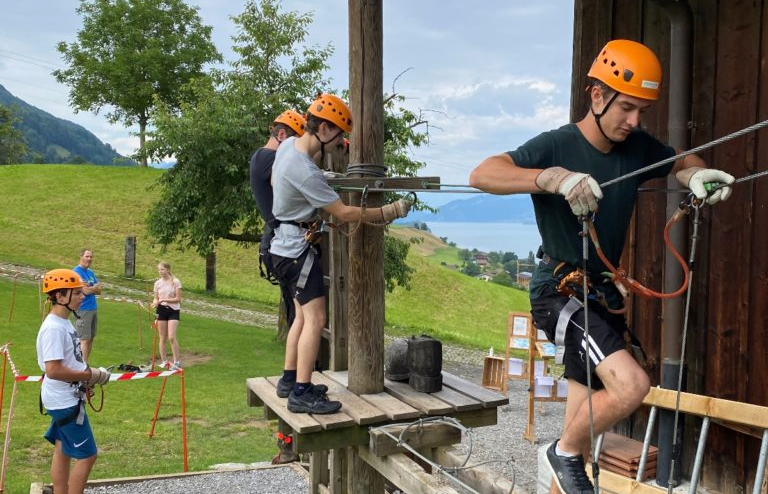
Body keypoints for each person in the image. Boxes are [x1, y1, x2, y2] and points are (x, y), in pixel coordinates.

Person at [469, 39, 734, 494]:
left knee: (583, 433)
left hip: (602, 296)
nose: (634, 121)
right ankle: (560, 451)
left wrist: (694, 174)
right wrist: (550, 177)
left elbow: (680, 159)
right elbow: (483, 174)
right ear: (597, 96)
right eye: (627, 108)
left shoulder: (636, 148)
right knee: (631, 387)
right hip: (560, 292)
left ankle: (564, 461)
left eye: (642, 112)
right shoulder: (557, 144)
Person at [270, 93, 412, 414]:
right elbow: (346, 214)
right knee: (317, 318)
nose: (340, 142)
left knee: (303, 316)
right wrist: (391, 210)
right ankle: (302, 393)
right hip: (296, 251)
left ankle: (290, 380)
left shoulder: (288, 148)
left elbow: (300, 182)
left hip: (283, 244)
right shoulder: (305, 169)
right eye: (338, 135)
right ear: (322, 128)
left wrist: (320, 182)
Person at [37, 269, 111, 494]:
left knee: (63, 448)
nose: (83, 296)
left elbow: (68, 362)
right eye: (77, 293)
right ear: (60, 297)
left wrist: (85, 376)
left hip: (64, 396)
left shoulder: (63, 322)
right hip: (63, 400)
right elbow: (53, 369)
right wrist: (91, 376)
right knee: (88, 455)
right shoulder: (53, 328)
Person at [249, 109, 307, 328]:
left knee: (297, 312)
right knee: (300, 314)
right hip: (283, 238)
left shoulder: (261, 157)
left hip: (275, 239)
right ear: (281, 135)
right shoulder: (268, 158)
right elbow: (290, 181)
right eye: (295, 143)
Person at [152, 262, 183, 370]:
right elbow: (156, 298)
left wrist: (164, 299)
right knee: (162, 337)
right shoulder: (157, 283)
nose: (160, 272)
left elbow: (178, 299)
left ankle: (177, 361)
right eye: (159, 270)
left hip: (173, 310)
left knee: (171, 337)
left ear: (168, 270)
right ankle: (164, 361)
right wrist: (155, 302)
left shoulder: (175, 282)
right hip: (161, 310)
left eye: (162, 269)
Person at [72, 249, 102, 363]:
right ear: (81, 257)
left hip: (93, 308)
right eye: (87, 256)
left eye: (91, 257)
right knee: (84, 339)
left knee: (91, 338)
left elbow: (99, 291)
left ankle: (86, 363)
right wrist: (93, 287)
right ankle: (82, 367)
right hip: (82, 309)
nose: (89, 259)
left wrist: (92, 288)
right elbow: (86, 292)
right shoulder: (76, 272)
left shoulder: (90, 272)